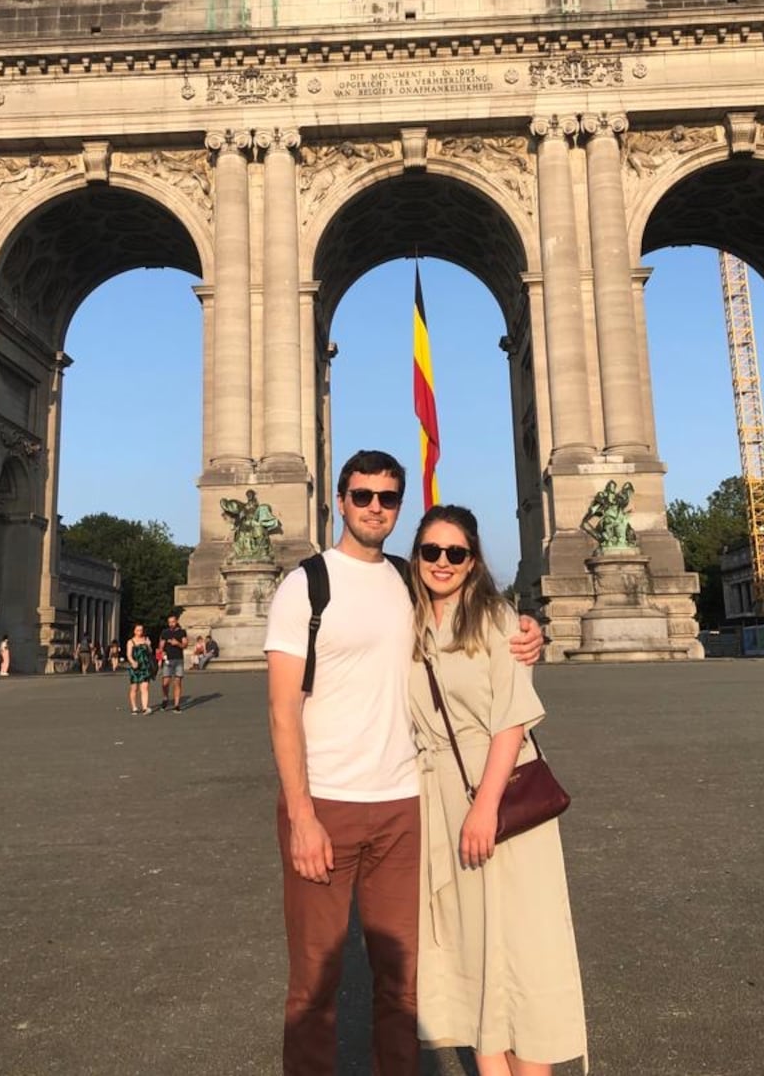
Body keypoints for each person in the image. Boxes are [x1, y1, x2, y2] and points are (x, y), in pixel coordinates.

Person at [264, 449, 543, 1076]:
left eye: (387, 498)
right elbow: (283, 710)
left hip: (402, 805)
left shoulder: (408, 579)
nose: (374, 507)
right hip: (328, 804)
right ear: (340, 500)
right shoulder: (304, 585)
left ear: (399, 506)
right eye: (362, 495)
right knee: (315, 983)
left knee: (402, 983)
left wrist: (527, 631)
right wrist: (302, 817)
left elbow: (473, 622)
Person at [408, 504, 586, 1075]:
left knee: (522, 951)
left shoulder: (499, 621)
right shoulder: (404, 621)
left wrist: (484, 809)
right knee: (473, 950)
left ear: (474, 561)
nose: (442, 562)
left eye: (455, 553)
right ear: (415, 557)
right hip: (439, 798)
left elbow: (512, 719)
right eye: (431, 551)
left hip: (499, 800)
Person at [159, 609, 188, 711]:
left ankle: (176, 705)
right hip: (167, 659)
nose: (171, 624)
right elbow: (161, 646)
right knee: (165, 682)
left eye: (173, 622)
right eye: (169, 622)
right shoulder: (165, 632)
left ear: (177, 621)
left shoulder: (182, 632)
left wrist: (177, 643)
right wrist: (160, 656)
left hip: (178, 659)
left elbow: (185, 644)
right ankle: (165, 697)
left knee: (177, 682)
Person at [125, 625, 153, 715]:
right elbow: (128, 655)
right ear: (134, 631)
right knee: (134, 688)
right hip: (135, 666)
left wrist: (149, 645)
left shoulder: (145, 640)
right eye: (137, 630)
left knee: (145, 687)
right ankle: (134, 707)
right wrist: (132, 662)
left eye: (141, 630)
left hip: (145, 666)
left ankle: (145, 707)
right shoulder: (131, 642)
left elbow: (150, 652)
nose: (139, 631)